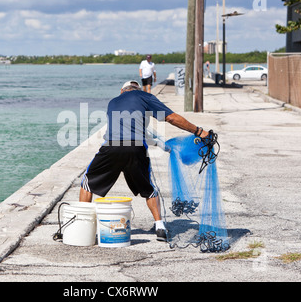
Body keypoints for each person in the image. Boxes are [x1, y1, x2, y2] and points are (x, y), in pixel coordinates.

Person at [79, 80, 209, 242]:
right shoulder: (143, 96)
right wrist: (198, 131)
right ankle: (160, 226)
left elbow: (128, 130)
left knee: (88, 183)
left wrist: (161, 144)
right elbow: (170, 117)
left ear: (122, 91)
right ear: (137, 90)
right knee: (148, 188)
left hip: (111, 147)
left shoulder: (113, 102)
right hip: (136, 148)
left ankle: (83, 226)